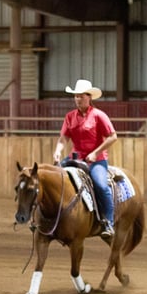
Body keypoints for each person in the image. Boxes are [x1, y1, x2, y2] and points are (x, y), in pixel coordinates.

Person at [53, 79, 117, 239]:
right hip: (76, 157)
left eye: (81, 96)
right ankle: (52, 219)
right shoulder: (70, 117)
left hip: (97, 160)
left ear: (89, 97)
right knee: (54, 179)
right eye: (76, 96)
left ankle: (109, 221)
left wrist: (95, 153)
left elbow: (113, 136)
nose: (78, 99)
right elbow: (63, 138)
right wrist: (58, 151)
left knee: (101, 185)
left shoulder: (98, 116)